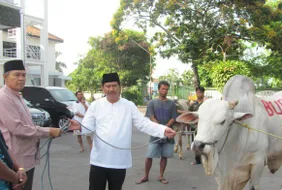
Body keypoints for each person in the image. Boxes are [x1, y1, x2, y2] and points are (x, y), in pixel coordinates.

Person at [69, 73, 176, 190]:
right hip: (99, 160)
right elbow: (88, 126)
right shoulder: (95, 105)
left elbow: (143, 124)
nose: (111, 89)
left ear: (120, 87)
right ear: (102, 88)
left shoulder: (128, 106)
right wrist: (79, 127)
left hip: (119, 161)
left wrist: (163, 130)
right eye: (108, 86)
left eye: (114, 86)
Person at [0, 59, 62, 190]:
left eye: (23, 75)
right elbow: (18, 128)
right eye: (16, 75)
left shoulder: (18, 96)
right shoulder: (3, 97)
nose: (21, 79)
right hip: (15, 162)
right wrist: (48, 131)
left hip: (25, 159)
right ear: (5, 77)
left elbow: (27, 124)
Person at [136, 81, 178, 185]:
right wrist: (160, 128)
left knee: (164, 156)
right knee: (149, 155)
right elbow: (151, 117)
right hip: (155, 134)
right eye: (163, 89)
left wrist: (166, 128)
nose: (165, 91)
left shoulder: (171, 103)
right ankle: (146, 176)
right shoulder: (152, 103)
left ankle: (161, 176)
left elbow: (174, 117)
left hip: (168, 135)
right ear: (158, 89)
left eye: (166, 89)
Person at [188, 86, 205, 165]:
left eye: (200, 92)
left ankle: (205, 159)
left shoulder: (206, 104)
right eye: (198, 92)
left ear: (203, 93)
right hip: (195, 127)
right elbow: (189, 113)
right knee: (195, 142)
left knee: (204, 143)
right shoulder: (193, 105)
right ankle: (197, 160)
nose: (199, 94)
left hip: (204, 127)